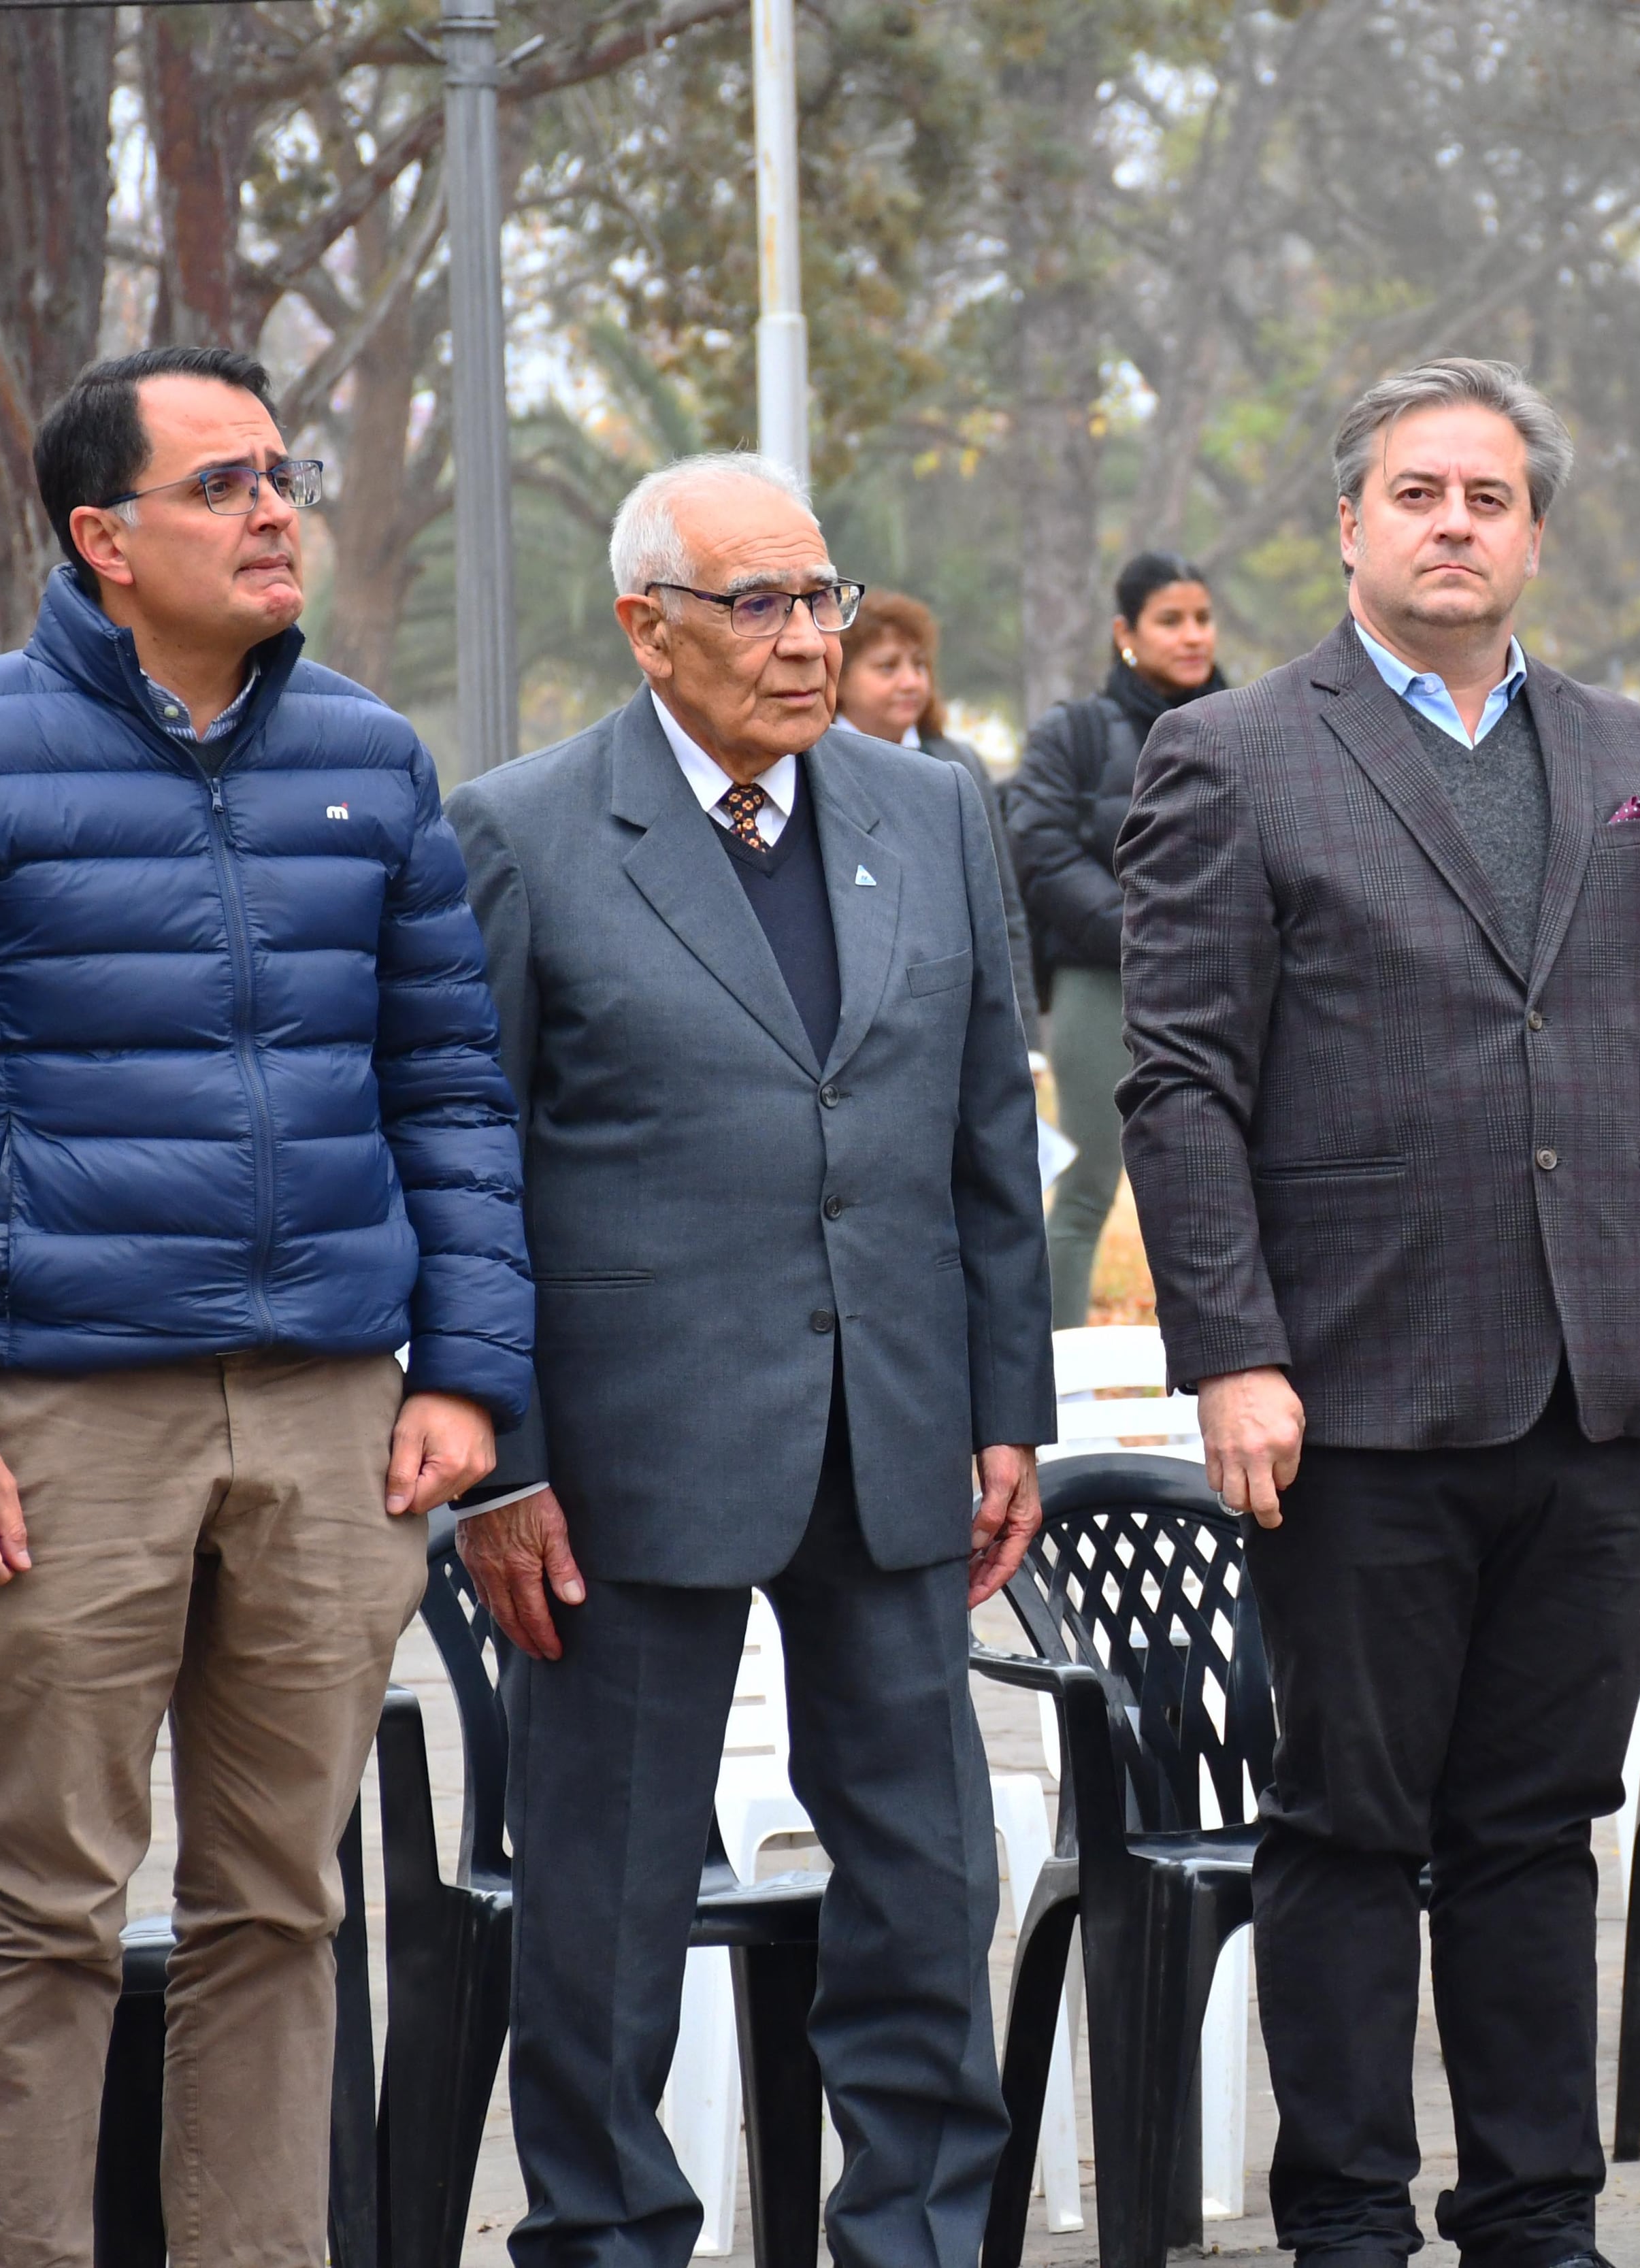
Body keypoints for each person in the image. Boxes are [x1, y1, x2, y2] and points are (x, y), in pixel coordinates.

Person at [0, 343, 532, 2265]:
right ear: (104, 538)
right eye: (224, 485)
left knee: (286, 1902)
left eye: (282, 473)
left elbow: (450, 1084)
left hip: (329, 1408)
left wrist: (467, 1371)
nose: (277, 509)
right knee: (44, 1904)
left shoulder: (369, 757)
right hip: (60, 1417)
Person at [1117, 357, 1640, 2268]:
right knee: (1348, 1822)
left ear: (1532, 532)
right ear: (1347, 525)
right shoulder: (1234, 755)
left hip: (1589, 1395)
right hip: (1346, 1396)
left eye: (1487, 496)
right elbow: (1179, 1081)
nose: (1451, 522)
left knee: (1536, 1825)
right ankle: (1346, 2212)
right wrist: (1235, 1350)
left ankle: (1534, 2211)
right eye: (1415, 492)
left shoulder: (1635, 755)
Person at [443, 453, 1053, 2268]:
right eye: (761, 605)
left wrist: (1006, 1406)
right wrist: (501, 1457)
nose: (808, 643)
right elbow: (462, 1165)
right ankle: (609, 2233)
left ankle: (920, 2236)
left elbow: (983, 1143)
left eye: (825, 599)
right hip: (622, 1467)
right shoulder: (527, 831)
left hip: (896, 1443)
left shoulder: (928, 810)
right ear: (648, 625)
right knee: (610, 1905)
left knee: (930, 1890)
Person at [1006, 553, 1226, 1326]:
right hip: (1103, 985)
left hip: (1221, 990)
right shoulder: (1073, 733)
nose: (1192, 636)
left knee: (1229, 1191)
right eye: (1170, 620)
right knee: (1089, 1184)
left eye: (1201, 618)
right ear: (1123, 633)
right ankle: (1054, 1383)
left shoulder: (1249, 724)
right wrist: (1143, 932)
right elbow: (1037, 849)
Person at [837, 591, 1036, 1023]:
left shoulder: (958, 764)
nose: (910, 682)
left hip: (950, 1008)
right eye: (887, 667)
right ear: (837, 676)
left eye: (920, 665)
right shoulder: (807, 763)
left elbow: (1001, 912)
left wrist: (1026, 1037)